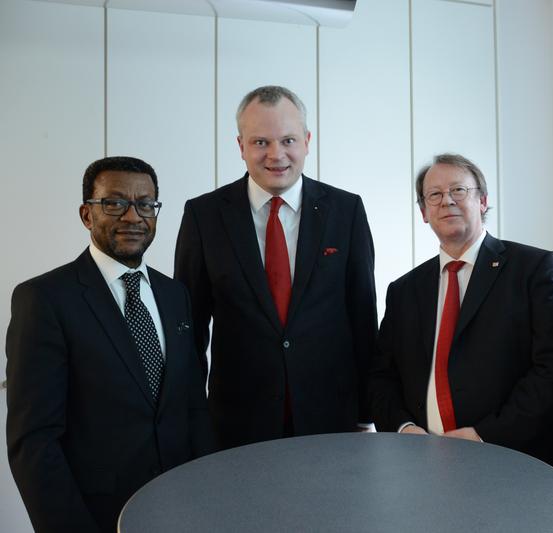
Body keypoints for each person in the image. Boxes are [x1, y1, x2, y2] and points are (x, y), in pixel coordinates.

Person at [6, 156, 215, 533]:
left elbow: (192, 409)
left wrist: (205, 500)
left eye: (145, 204)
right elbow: (34, 442)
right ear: (87, 214)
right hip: (96, 516)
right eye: (114, 203)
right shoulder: (45, 299)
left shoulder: (174, 295)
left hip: (182, 507)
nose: (133, 217)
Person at [369, 153, 553, 497]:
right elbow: (381, 376)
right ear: (424, 212)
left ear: (483, 200)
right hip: (427, 469)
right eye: (435, 195)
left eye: (459, 190)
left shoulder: (533, 268)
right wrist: (404, 429)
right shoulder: (404, 291)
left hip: (522, 467)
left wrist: (485, 434)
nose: (447, 201)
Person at [174, 85, 378, 448]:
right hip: (237, 422)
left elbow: (362, 316)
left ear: (307, 141)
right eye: (260, 142)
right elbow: (189, 330)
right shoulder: (204, 216)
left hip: (330, 418)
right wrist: (190, 417)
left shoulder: (346, 211)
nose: (276, 155)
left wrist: (367, 411)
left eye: (287, 140)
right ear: (240, 146)